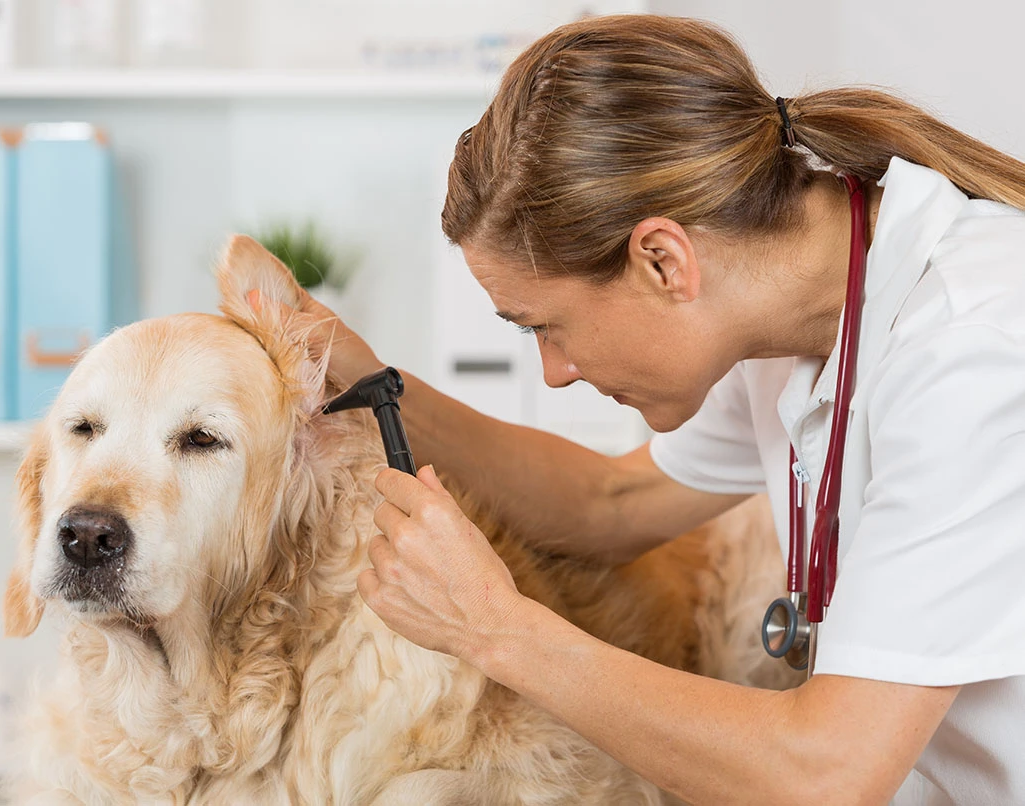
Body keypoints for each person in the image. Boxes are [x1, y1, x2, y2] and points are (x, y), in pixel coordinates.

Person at [261, 15, 1025, 804]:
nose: (553, 372)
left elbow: (826, 771)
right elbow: (609, 504)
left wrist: (495, 628)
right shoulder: (790, 309)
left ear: (663, 261)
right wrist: (364, 373)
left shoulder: (973, 352)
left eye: (545, 326)